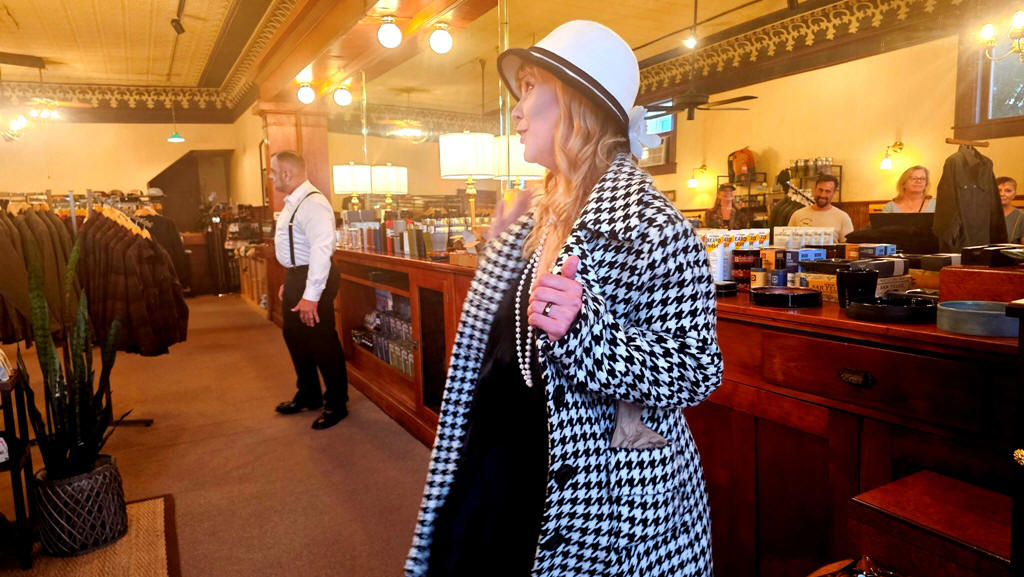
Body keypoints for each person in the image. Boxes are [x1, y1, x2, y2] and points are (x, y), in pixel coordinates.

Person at [406, 21, 723, 577]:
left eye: (530, 88)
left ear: (577, 105)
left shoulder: (653, 226)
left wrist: (585, 334)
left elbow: (697, 370)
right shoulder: (540, 215)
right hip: (506, 460)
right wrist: (497, 259)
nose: (516, 110)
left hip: (597, 497)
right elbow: (513, 341)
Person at [269, 150, 349, 430]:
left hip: (314, 277)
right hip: (298, 276)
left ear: (287, 173)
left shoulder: (313, 203)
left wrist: (310, 296)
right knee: (295, 337)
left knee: (322, 341)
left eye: (273, 172)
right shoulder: (294, 202)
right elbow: (298, 247)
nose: (271, 178)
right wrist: (290, 282)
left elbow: (321, 251)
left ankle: (337, 403)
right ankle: (309, 394)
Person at [787, 174, 854, 242]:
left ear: (833, 193)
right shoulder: (797, 215)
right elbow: (788, 242)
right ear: (815, 189)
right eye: (820, 190)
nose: (822, 195)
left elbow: (849, 246)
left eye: (827, 191)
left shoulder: (842, 218)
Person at [999, 176, 1024, 243]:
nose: (1002, 194)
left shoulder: (1021, 217)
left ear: (1015, 194)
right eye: (999, 190)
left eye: (1008, 191)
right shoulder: (984, 214)